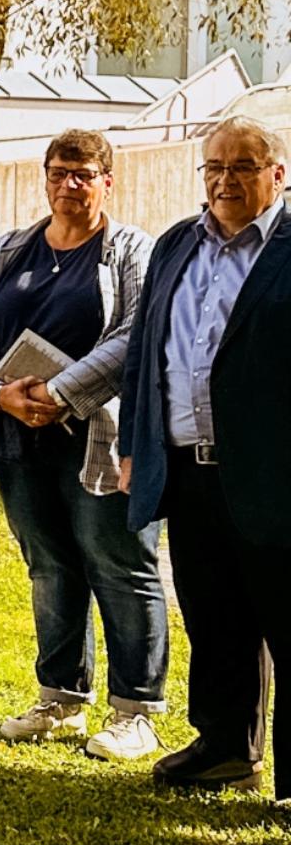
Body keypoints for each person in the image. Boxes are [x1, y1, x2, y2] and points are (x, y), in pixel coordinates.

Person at [0, 131, 165, 758]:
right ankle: (60, 698)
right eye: (58, 172)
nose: (69, 185)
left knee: (119, 563)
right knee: (48, 566)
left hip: (99, 436)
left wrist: (60, 391)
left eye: (83, 174)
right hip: (19, 436)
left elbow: (135, 329)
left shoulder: (132, 250)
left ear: (108, 180)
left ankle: (136, 711)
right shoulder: (7, 250)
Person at [119, 115, 291, 794]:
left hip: (276, 474)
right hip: (190, 468)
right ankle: (225, 746)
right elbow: (145, 353)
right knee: (215, 615)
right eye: (215, 167)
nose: (225, 181)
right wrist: (138, 444)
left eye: (244, 167)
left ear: (279, 174)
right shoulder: (174, 246)